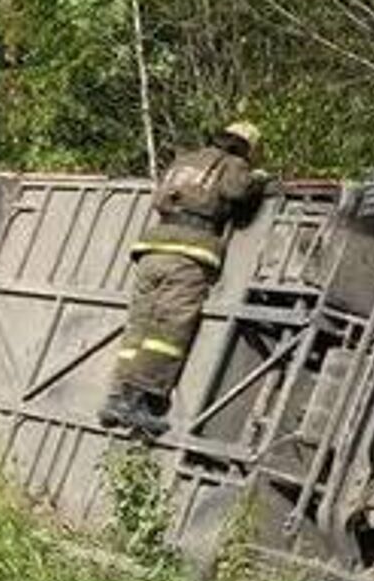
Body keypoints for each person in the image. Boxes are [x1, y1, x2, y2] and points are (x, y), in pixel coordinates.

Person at [100, 121, 266, 438]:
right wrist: (257, 180)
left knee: (140, 326)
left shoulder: (185, 159)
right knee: (169, 329)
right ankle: (137, 403)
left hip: (152, 249)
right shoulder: (233, 163)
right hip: (187, 251)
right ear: (246, 147)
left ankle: (116, 397)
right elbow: (237, 191)